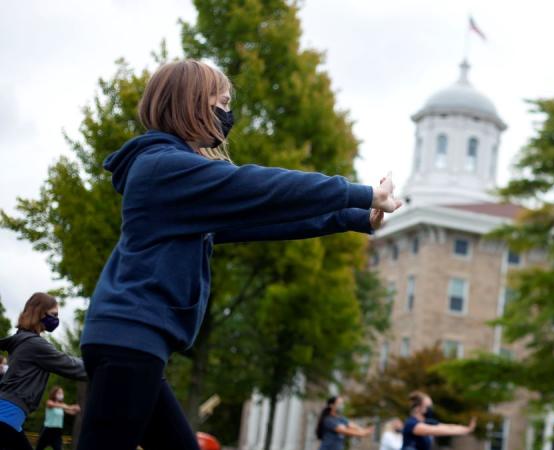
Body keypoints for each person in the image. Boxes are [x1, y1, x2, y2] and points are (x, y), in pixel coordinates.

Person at [76, 59, 401, 450]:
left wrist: (355, 218)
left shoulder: (175, 180)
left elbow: (263, 219)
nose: (228, 115)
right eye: (223, 103)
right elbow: (262, 187)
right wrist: (360, 191)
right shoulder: (166, 167)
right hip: (130, 341)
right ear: (192, 103)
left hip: (132, 342)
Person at [0, 293, 87, 450]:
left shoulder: (22, 339)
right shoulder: (35, 344)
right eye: (54, 315)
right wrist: (102, 366)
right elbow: (72, 365)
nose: (56, 320)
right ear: (40, 312)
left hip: (9, 417)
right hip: (6, 418)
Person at [401, 391, 475, 450]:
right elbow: (437, 430)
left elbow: (449, 427)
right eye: (428, 407)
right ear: (418, 408)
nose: (430, 409)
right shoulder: (411, 424)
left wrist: (466, 429)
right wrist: (465, 430)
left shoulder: (427, 422)